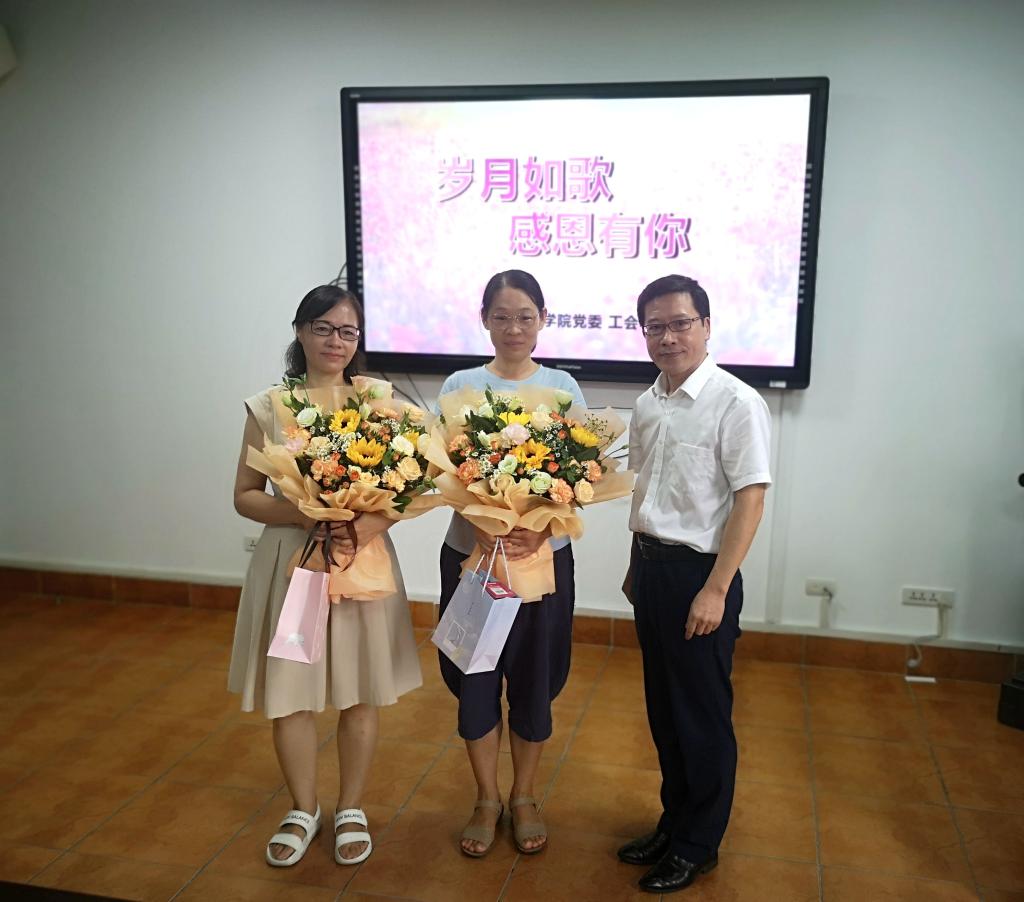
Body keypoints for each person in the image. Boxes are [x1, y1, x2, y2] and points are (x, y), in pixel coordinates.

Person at [228, 285, 421, 868]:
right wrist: (304, 514)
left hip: (361, 561)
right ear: (300, 331)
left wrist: (361, 524)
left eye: (348, 331)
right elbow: (244, 495)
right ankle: (303, 808)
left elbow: (409, 488)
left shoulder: (379, 404)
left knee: (359, 690)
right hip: (294, 563)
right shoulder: (269, 406)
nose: (336, 341)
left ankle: (351, 806)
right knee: (291, 694)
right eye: (324, 328)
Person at [618, 274, 771, 894]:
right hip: (652, 569)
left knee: (701, 716)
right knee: (664, 709)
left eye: (680, 323)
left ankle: (697, 845)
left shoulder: (736, 402)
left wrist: (716, 588)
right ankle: (673, 822)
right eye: (655, 326)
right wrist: (635, 566)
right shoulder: (648, 402)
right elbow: (648, 494)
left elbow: (750, 499)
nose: (668, 337)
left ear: (706, 326)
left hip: (700, 576)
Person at [436, 270, 586, 857]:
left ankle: (524, 796)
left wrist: (540, 527)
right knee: (474, 679)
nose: (514, 327)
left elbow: (582, 477)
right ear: (484, 320)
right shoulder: (461, 385)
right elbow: (443, 470)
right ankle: (486, 798)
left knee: (534, 678)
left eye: (525, 316)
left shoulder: (562, 387)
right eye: (501, 316)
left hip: (542, 562)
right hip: (472, 557)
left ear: (543, 319)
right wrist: (480, 519)